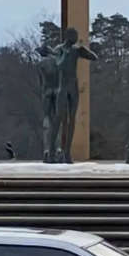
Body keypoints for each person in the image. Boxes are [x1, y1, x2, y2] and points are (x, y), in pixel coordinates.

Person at [50, 27, 97, 164]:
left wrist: (83, 50)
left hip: (73, 87)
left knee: (72, 120)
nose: (76, 38)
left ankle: (67, 152)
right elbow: (59, 65)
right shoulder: (59, 49)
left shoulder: (76, 50)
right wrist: (65, 53)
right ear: (68, 36)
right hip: (62, 87)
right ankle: (52, 151)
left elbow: (94, 57)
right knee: (58, 119)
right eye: (74, 36)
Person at [36, 45, 60, 163]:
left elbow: (41, 82)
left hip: (46, 91)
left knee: (47, 119)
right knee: (57, 120)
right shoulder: (57, 62)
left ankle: (47, 149)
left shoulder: (41, 64)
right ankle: (58, 148)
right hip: (57, 90)